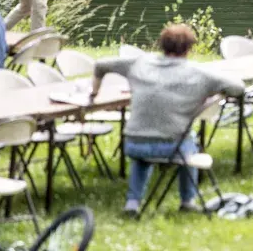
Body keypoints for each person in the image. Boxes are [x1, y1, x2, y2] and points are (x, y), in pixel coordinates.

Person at [89, 24, 245, 216]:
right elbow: (238, 87)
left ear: (161, 45)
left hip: (133, 143)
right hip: (172, 147)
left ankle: (132, 204)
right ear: (189, 49)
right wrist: (213, 95)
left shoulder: (139, 63)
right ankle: (187, 201)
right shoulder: (198, 73)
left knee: (142, 157)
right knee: (190, 141)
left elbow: (100, 65)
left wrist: (94, 93)